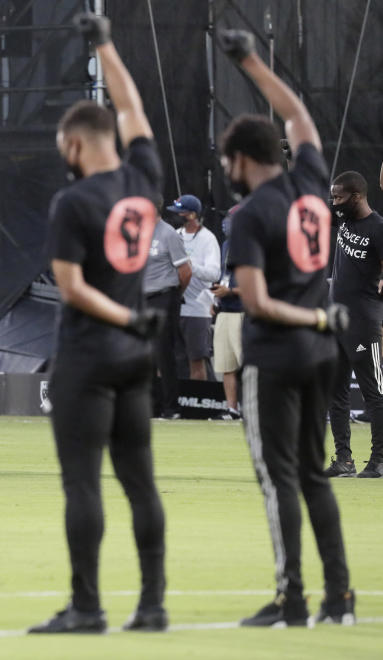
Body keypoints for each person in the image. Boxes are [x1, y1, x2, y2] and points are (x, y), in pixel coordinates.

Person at [28, 14, 168, 634]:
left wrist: (125, 316)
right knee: (141, 482)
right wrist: (105, 42)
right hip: (136, 358)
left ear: (77, 143)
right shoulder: (145, 180)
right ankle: (153, 605)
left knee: (83, 484)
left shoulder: (74, 201)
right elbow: (132, 104)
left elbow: (72, 287)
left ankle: (87, 607)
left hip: (89, 354)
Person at [220, 29, 355, 626]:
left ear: (245, 160)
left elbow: (258, 302)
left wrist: (318, 312)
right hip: (322, 354)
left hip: (277, 355)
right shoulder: (311, 187)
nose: (228, 170)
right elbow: (298, 113)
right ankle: (340, 598)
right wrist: (250, 60)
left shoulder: (250, 216)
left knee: (279, 482)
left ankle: (290, 599)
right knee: (314, 476)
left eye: (229, 161)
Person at [324, 171, 383, 478]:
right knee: (336, 392)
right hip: (337, 321)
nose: (334, 202)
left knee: (375, 393)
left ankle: (380, 459)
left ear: (357, 197)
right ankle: (344, 459)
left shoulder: (378, 228)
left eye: (339, 197)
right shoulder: (344, 220)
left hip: (364, 322)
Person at [144, 211, 191, 418]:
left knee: (164, 353)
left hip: (164, 296)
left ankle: (171, 408)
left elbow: (185, 271)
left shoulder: (168, 233)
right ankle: (151, 406)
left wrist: (174, 295)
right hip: (142, 298)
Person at [169, 194, 220, 380]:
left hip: (197, 310)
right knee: (176, 360)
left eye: (179, 212)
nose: (175, 215)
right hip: (176, 308)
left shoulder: (208, 238)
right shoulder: (174, 235)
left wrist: (190, 266)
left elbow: (214, 273)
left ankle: (201, 403)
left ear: (191, 215)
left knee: (197, 360)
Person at [211, 206, 244, 420]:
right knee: (226, 364)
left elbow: (259, 286)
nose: (227, 223)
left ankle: (255, 409)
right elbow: (225, 275)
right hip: (225, 310)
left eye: (232, 219)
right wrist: (217, 297)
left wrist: (230, 291)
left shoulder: (253, 247)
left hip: (243, 311)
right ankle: (232, 409)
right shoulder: (226, 245)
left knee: (248, 365)